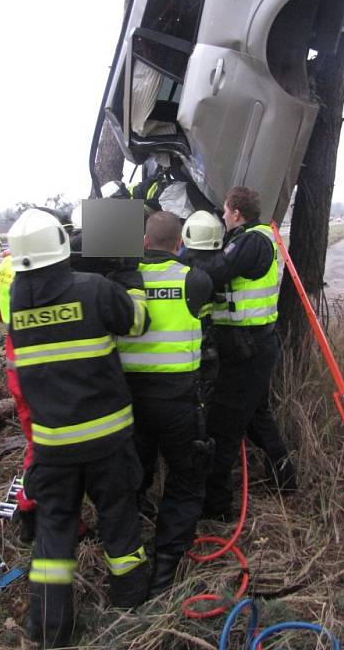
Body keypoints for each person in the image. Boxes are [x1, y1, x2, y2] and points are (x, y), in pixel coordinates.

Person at [8, 208, 150, 648]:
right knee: (119, 520)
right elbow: (138, 323)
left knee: (54, 535)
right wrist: (128, 276)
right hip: (107, 438)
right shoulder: (94, 289)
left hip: (52, 445)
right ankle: (131, 603)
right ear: (63, 245)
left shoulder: (17, 298)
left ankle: (50, 629)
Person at [181, 188, 296, 521]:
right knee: (258, 418)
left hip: (249, 348)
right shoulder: (253, 237)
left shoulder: (253, 241)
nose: (223, 216)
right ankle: (285, 480)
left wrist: (183, 257)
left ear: (235, 211)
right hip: (251, 345)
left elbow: (217, 271)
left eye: (226, 210)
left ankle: (217, 508)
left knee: (224, 427)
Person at [117, 210, 213, 596]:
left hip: (130, 402)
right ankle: (167, 566)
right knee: (186, 480)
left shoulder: (122, 280)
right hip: (178, 402)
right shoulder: (196, 280)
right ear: (179, 243)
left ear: (143, 242)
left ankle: (128, 552)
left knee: (132, 475)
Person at [0, 251, 37, 541]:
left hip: (18, 366)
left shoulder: (6, 263)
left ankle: (32, 507)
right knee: (45, 448)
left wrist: (10, 315)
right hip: (44, 368)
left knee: (34, 443)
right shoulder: (47, 260)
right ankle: (31, 509)